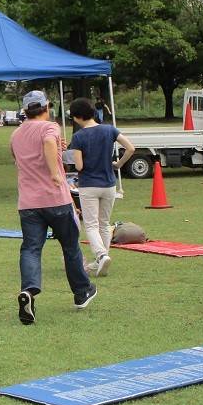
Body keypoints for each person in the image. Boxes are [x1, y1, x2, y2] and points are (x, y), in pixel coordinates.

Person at [10, 90, 96, 325]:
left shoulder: (16, 134)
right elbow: (47, 142)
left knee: (31, 249)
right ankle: (82, 292)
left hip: (28, 203)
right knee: (70, 247)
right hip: (56, 199)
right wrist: (55, 173)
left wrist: (57, 150)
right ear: (46, 106)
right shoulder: (50, 128)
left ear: (25, 110)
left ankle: (29, 291)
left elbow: (22, 159)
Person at [69, 98, 135, 276]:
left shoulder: (78, 137)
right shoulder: (109, 129)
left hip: (88, 185)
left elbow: (79, 167)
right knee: (104, 224)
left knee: (90, 225)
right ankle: (102, 260)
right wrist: (118, 164)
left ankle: (101, 255)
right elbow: (130, 148)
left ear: (76, 117)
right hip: (109, 184)